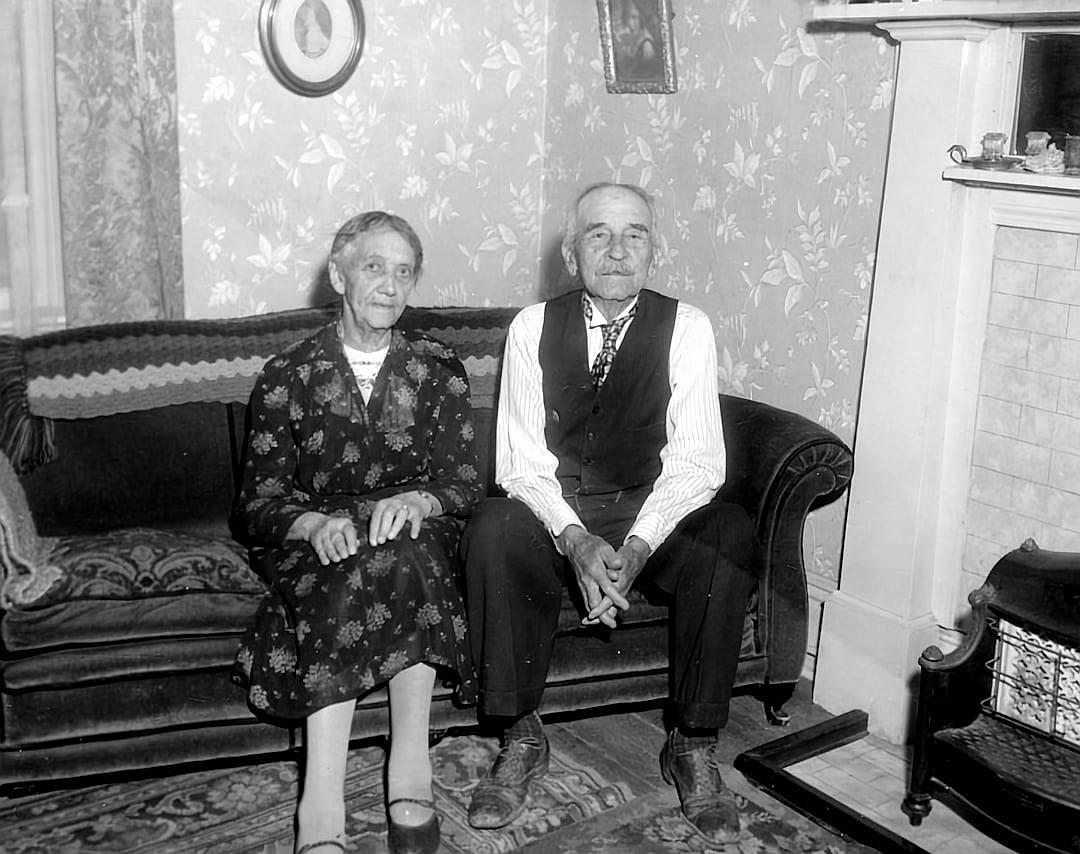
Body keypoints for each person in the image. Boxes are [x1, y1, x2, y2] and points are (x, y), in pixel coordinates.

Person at [461, 183, 758, 845]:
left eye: (636, 235)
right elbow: (520, 462)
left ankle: (692, 742)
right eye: (599, 234)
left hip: (651, 509)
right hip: (561, 510)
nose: (619, 251)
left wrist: (640, 548)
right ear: (571, 253)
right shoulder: (532, 326)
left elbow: (697, 463)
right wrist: (574, 539)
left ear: (655, 250)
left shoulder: (689, 327)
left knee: (729, 529)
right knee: (492, 524)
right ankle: (519, 737)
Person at [234, 211, 482, 854]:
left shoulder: (437, 366)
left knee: (407, 553)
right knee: (352, 561)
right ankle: (321, 797)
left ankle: (409, 766)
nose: (390, 285)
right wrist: (311, 521)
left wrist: (421, 499)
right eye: (375, 266)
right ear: (339, 273)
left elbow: (463, 483)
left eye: (405, 272)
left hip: (414, 531)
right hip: (321, 534)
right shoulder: (287, 374)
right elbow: (258, 503)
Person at [614, 0, 659, 78]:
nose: (630, 24)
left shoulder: (647, 46)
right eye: (628, 17)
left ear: (642, 18)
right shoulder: (636, 39)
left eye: (634, 18)